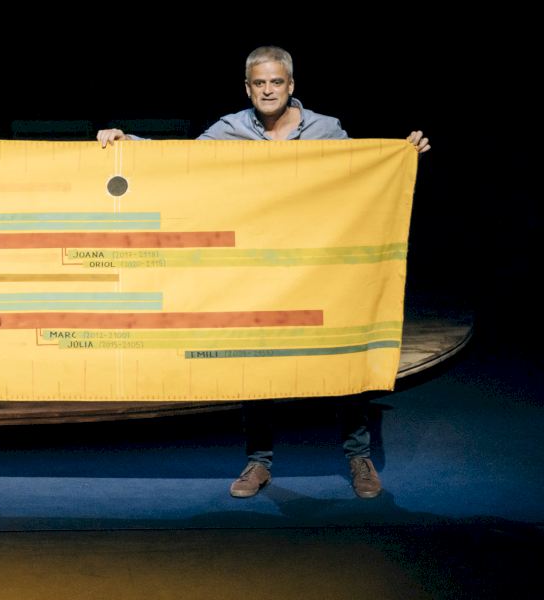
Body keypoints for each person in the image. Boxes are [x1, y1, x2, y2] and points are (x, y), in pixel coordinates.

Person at [98, 46, 429, 499]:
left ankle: (359, 458)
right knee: (257, 363)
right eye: (260, 83)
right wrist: (127, 142)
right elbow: (181, 160)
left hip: (319, 266)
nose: (268, 90)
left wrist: (402, 155)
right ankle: (258, 462)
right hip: (260, 271)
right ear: (248, 88)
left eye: (276, 82)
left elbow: (361, 174)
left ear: (291, 85)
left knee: (344, 358)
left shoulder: (326, 129)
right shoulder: (230, 129)